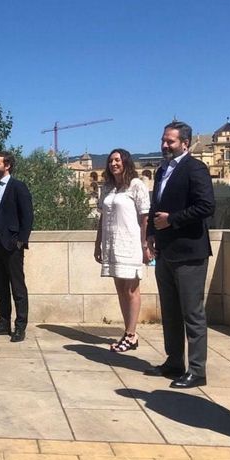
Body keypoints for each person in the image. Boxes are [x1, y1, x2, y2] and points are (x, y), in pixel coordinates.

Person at [145, 121, 214, 388]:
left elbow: (207, 206)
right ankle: (174, 361)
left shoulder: (195, 168)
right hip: (165, 252)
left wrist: (173, 220)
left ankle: (197, 371)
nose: (164, 145)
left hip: (189, 253)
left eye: (170, 141)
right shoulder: (163, 170)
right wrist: (151, 232)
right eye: (163, 140)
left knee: (192, 313)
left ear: (185, 143)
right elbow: (156, 206)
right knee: (170, 311)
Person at [94, 149, 150, 352]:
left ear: (125, 162)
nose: (113, 163)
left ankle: (131, 334)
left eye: (117, 160)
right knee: (120, 289)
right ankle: (128, 332)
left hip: (130, 243)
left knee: (131, 289)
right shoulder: (107, 187)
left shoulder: (136, 185)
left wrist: (145, 244)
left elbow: (145, 218)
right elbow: (101, 218)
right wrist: (97, 243)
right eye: (110, 160)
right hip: (112, 244)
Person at [0, 151, 33, 342]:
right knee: (0, 286)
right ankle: (3, 323)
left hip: (12, 245)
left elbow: (27, 216)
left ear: (7, 165)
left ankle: (20, 327)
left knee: (17, 287)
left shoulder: (18, 187)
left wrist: (21, 241)